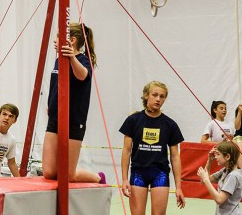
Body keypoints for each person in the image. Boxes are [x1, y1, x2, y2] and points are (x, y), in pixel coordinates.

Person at [42, 23, 104, 184]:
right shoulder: (58, 61)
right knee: (49, 172)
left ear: (72, 40)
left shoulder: (83, 60)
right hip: (55, 119)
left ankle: (98, 177)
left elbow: (82, 75)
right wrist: (51, 103)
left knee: (68, 175)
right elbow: (55, 85)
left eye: (58, 36)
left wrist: (72, 58)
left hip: (74, 121)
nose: (54, 40)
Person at [120, 81, 186, 215]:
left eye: (162, 96)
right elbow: (126, 151)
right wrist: (125, 179)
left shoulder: (170, 124)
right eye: (154, 95)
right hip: (138, 172)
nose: (158, 99)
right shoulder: (133, 120)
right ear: (146, 96)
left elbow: (175, 157)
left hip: (160, 173)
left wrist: (179, 187)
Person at [197, 141, 242, 215]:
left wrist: (206, 179)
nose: (215, 157)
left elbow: (219, 199)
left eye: (218, 154)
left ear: (227, 157)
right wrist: (209, 161)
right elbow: (203, 181)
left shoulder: (233, 176)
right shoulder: (225, 171)